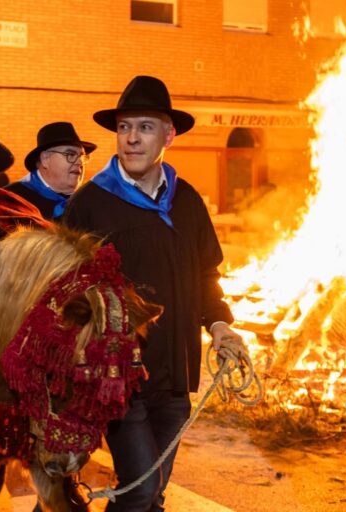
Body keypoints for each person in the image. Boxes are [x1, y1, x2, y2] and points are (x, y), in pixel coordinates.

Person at [64, 75, 247, 511]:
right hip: (120, 382)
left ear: (169, 134)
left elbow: (206, 275)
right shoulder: (91, 204)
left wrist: (220, 326)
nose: (131, 138)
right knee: (141, 488)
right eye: (125, 127)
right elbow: (66, 292)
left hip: (177, 378)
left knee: (149, 493)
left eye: (145, 127)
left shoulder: (186, 200)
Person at [5, 122, 96, 220]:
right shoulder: (10, 199)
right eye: (70, 155)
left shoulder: (89, 200)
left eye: (82, 157)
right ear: (45, 159)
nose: (79, 162)